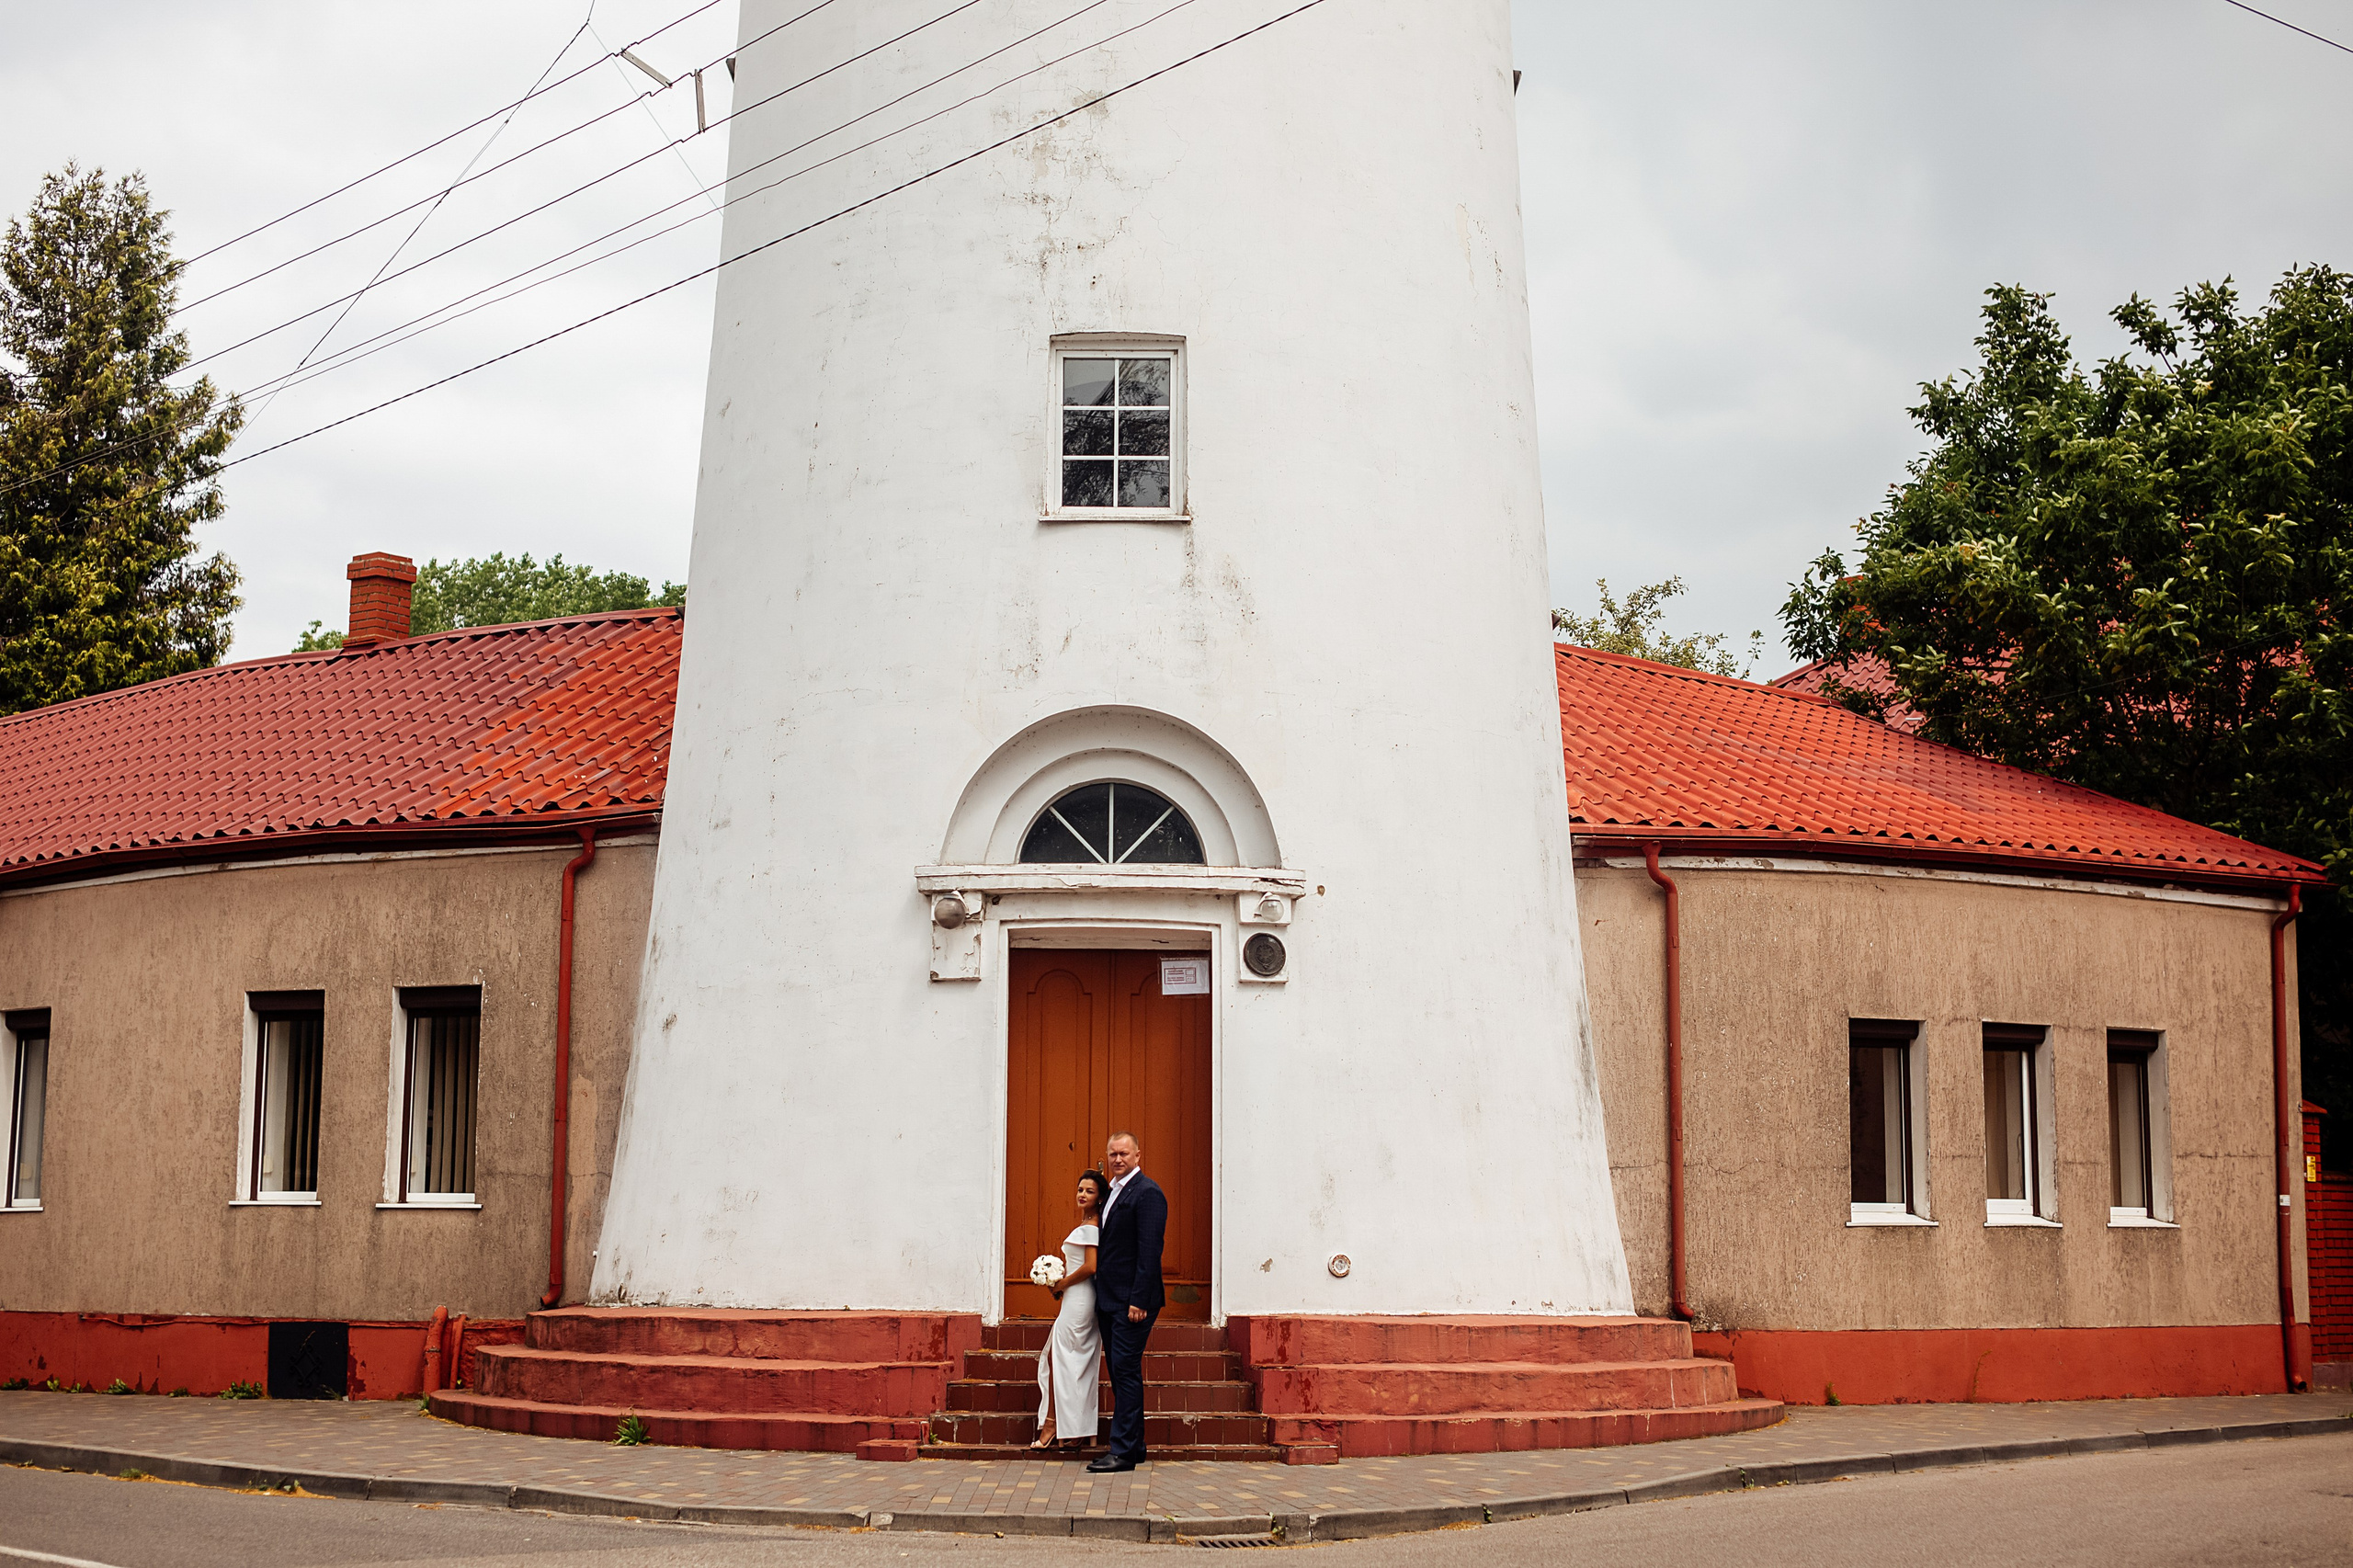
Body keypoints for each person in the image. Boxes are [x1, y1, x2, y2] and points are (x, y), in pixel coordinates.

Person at [1088, 1131, 1165, 1472]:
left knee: (1125, 1371)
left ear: (1137, 1155)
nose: (1118, 1159)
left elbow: (1150, 1250)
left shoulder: (1147, 1193)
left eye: (1124, 1153)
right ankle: (1134, 1446)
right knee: (1120, 1374)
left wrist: (1139, 1300)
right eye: (1113, 1154)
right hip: (1110, 1300)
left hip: (1133, 1302)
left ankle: (1121, 1452)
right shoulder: (1112, 1193)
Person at [1032, 1170, 1104, 1449]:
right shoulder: (1087, 1224)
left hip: (1080, 1300)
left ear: (1100, 1198)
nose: (1082, 1195)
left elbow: (1090, 1267)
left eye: (1089, 1191)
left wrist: (1061, 1283)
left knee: (1060, 1359)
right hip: (1075, 1298)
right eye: (1080, 1189)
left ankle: (1053, 1424)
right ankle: (1077, 1427)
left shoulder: (1091, 1227)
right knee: (1071, 1362)